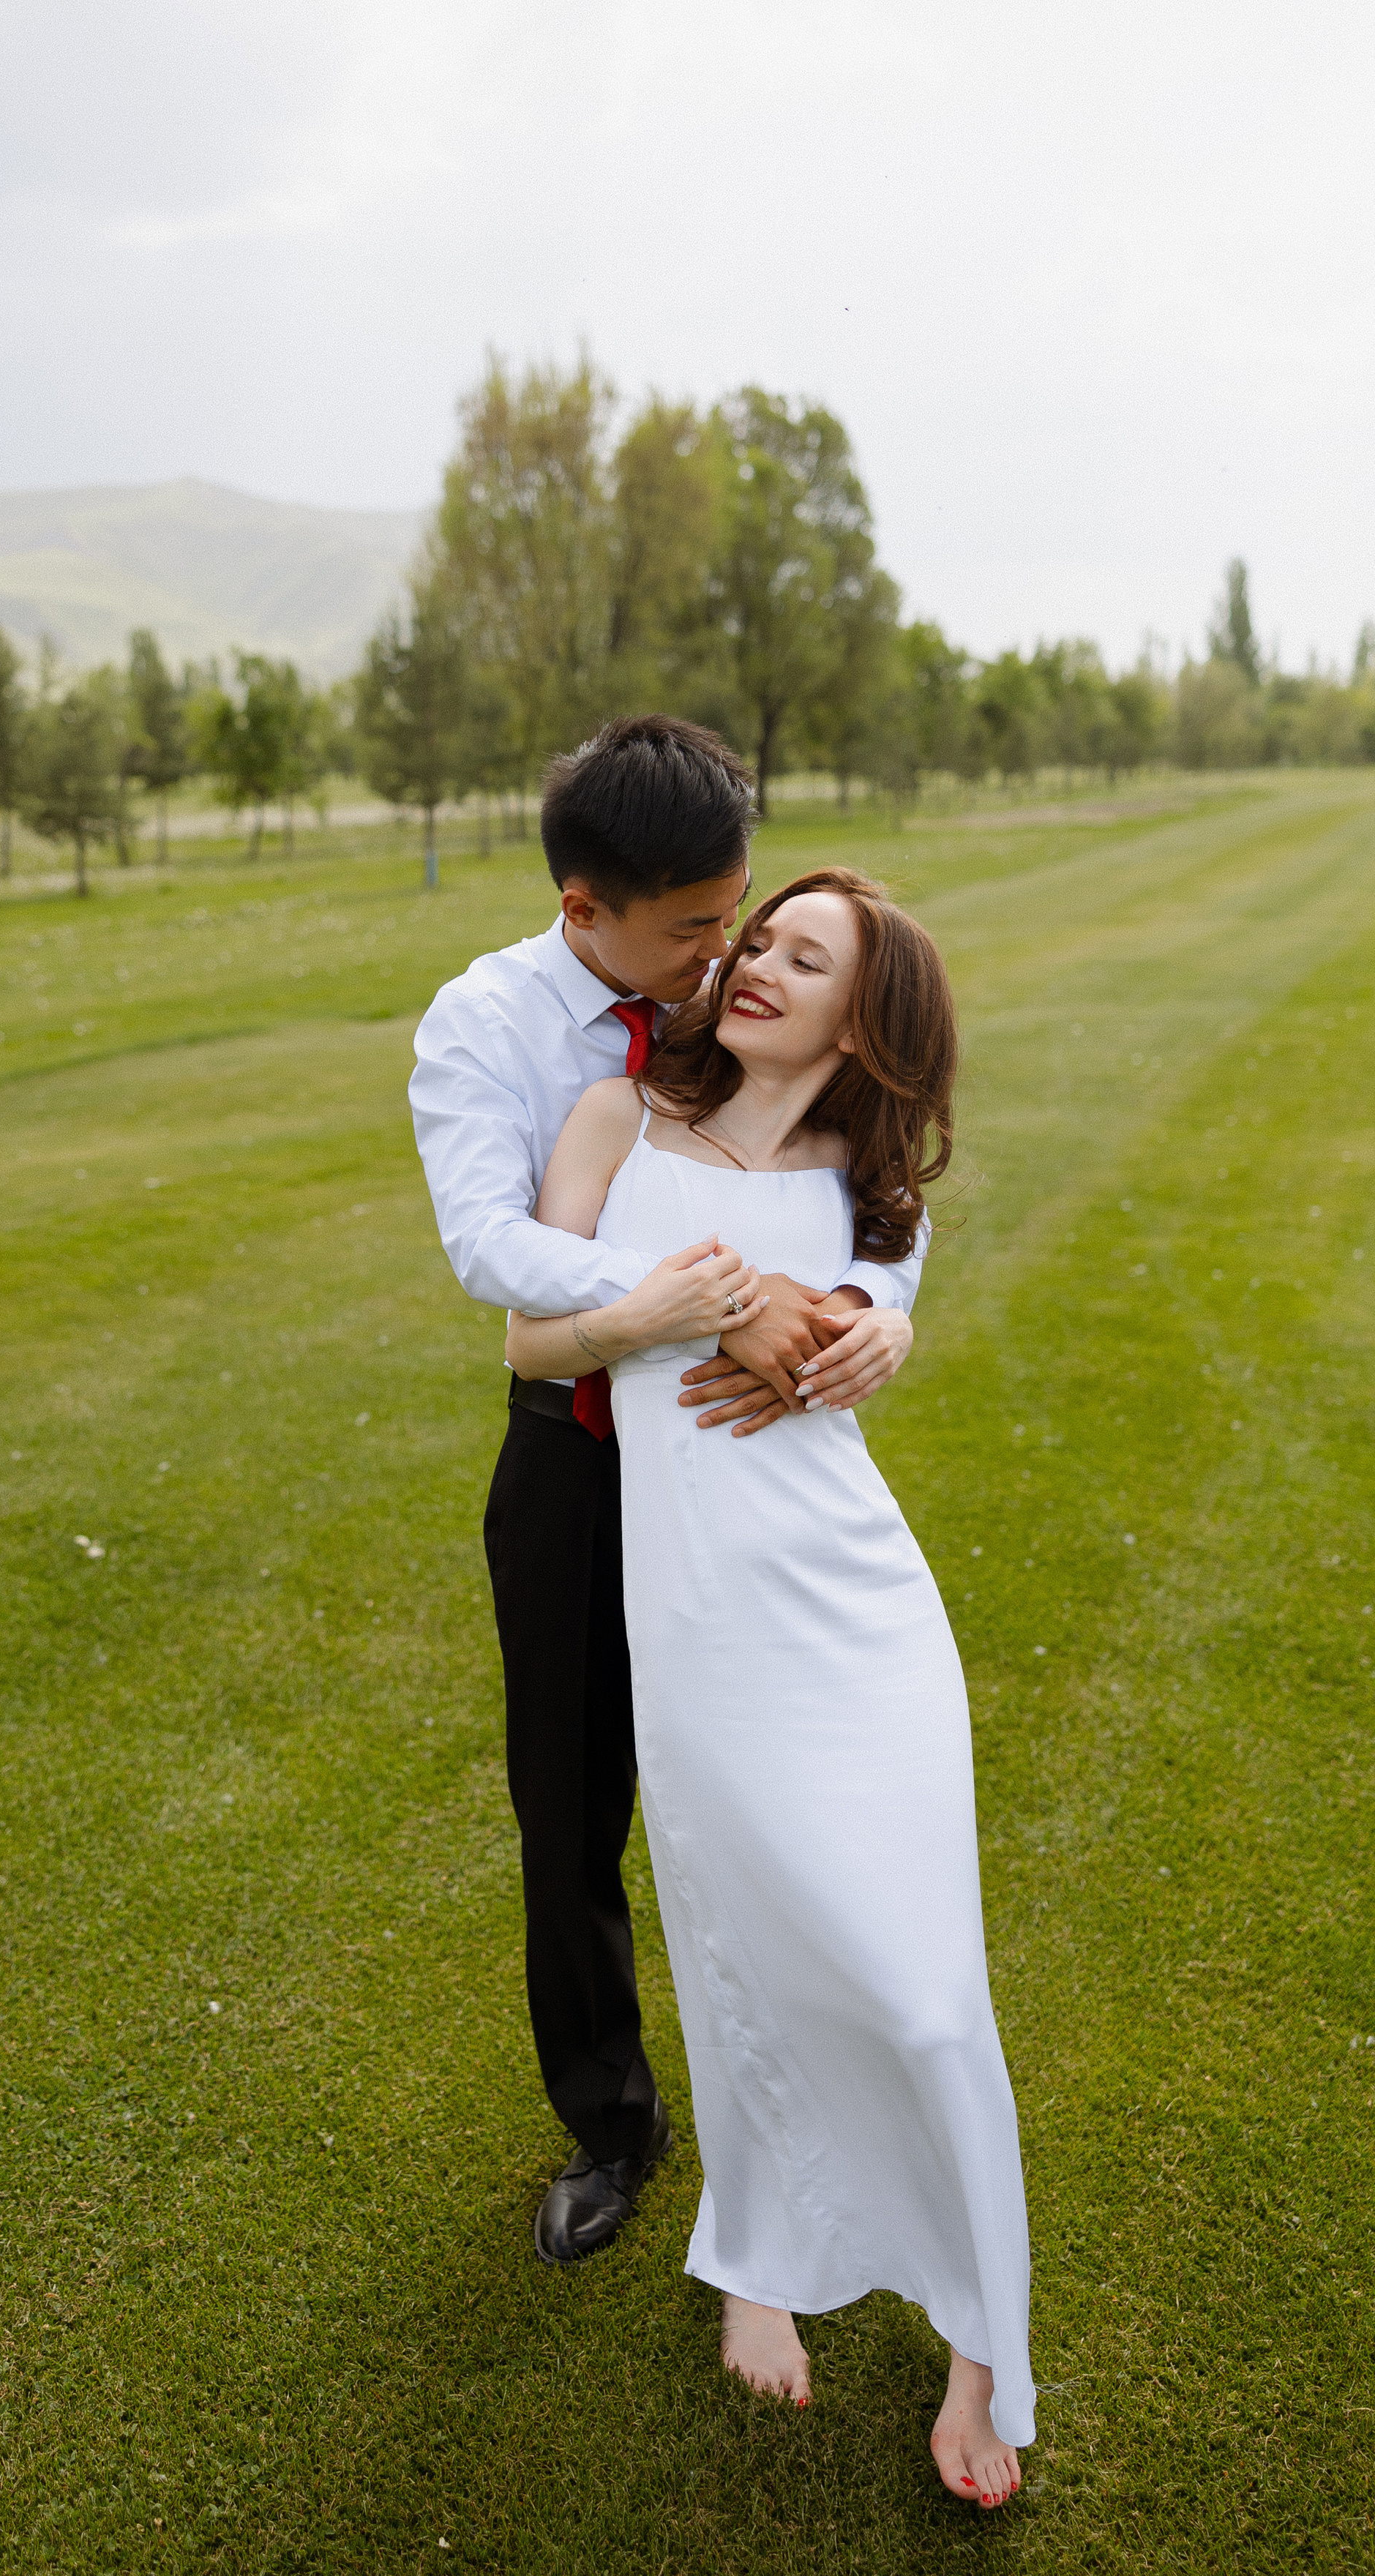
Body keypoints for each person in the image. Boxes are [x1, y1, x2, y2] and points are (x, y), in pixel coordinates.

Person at [503, 865, 1033, 2508]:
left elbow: (851, 1340)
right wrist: (681, 1307)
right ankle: (757, 2248)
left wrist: (857, 1326)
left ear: (861, 1021)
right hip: (703, 1618)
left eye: (803, 960)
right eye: (760, 941)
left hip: (856, 1608)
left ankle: (980, 2343)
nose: (754, 968)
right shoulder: (614, 1123)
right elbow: (529, 1340)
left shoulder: (879, 1205)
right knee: (741, 1927)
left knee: (922, 1976)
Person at [409, 721, 921, 2267]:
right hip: (572, 1464)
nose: (726, 954)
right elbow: (489, 1252)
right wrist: (707, 1295)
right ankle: (610, 2125)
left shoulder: (741, 984)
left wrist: (881, 1305)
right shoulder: (485, 1025)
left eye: (741, 915)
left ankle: (824, 2109)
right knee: (567, 1819)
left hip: (747, 1469)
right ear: (584, 912)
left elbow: (861, 1161)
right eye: (693, 927)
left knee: (780, 1799)